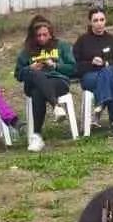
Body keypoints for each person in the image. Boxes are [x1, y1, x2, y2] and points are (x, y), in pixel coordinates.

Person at [14, 15, 77, 151]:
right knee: (37, 78)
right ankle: (56, 106)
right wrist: (30, 68)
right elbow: (18, 74)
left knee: (38, 91)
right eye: (38, 36)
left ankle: (36, 136)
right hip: (33, 84)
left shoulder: (62, 46)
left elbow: (73, 69)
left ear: (51, 34)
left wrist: (55, 65)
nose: (42, 38)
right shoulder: (27, 50)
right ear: (34, 36)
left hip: (58, 81)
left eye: (45, 35)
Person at [74, 6, 113, 137]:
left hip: (112, 72)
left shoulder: (112, 40)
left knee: (107, 71)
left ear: (105, 21)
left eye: (102, 20)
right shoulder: (83, 41)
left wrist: (106, 63)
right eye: (95, 20)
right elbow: (75, 66)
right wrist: (91, 63)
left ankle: (101, 104)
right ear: (90, 22)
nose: (99, 23)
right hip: (90, 77)